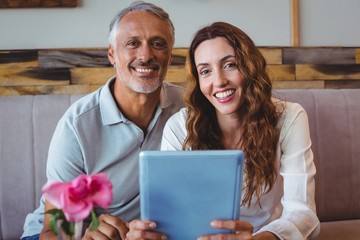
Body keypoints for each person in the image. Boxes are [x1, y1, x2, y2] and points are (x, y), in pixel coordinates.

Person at [126, 22, 320, 240]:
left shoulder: (289, 117)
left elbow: (303, 214)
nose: (218, 81)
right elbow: (170, 214)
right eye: (206, 71)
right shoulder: (179, 127)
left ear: (250, 66)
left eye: (230, 65)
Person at [21, 1, 184, 239]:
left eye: (158, 44)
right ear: (112, 54)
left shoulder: (188, 109)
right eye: (132, 43)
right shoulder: (76, 125)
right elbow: (52, 230)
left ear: (169, 56)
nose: (146, 55)